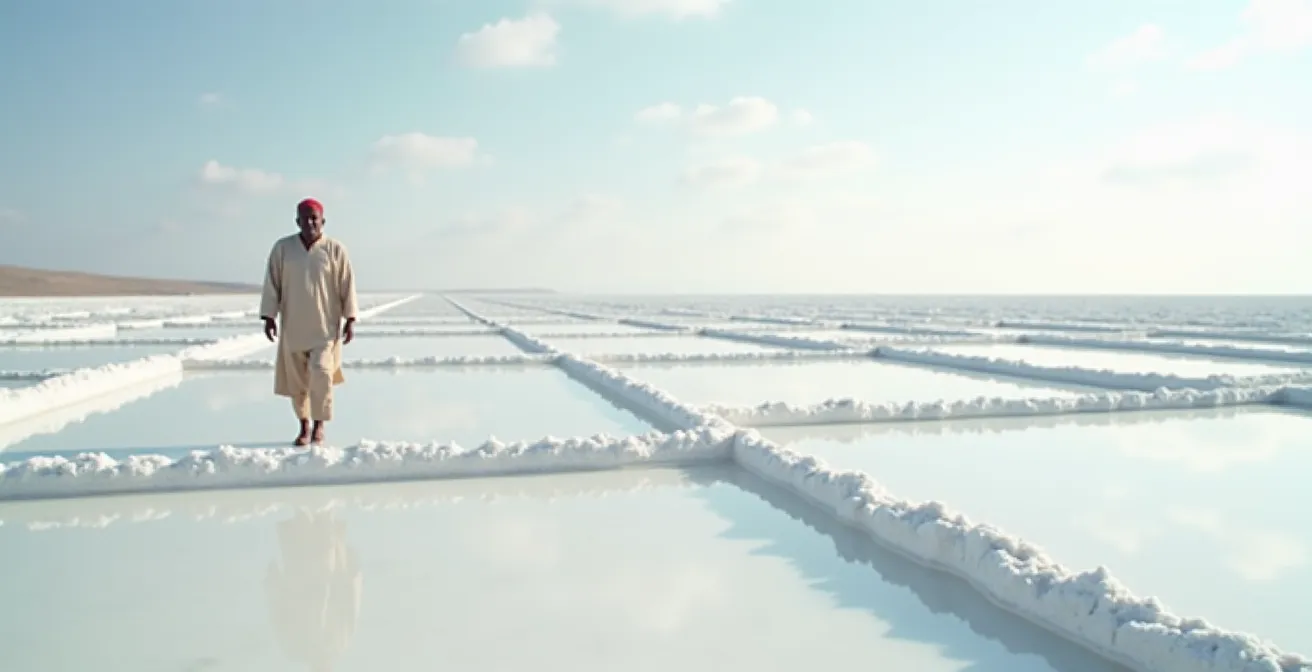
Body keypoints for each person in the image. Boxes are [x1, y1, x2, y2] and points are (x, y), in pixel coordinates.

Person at [259, 198, 358, 446]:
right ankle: (303, 426)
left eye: (315, 218)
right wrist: (269, 316)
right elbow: (272, 282)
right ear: (297, 221)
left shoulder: (335, 250)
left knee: (322, 373)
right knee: (298, 382)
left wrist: (351, 318)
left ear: (323, 221)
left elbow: (347, 284)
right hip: (293, 328)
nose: (310, 222)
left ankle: (319, 425)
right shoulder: (283, 249)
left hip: (325, 329)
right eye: (305, 218)